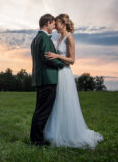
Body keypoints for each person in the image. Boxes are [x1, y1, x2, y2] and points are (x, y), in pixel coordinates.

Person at [43, 14, 103, 149]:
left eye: (57, 23)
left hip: (65, 74)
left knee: (64, 102)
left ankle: (68, 133)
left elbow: (72, 60)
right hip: (56, 73)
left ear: (63, 24)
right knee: (56, 102)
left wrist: (57, 55)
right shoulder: (59, 37)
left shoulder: (70, 38)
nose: (55, 25)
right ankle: (54, 131)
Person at [30, 14, 65, 146]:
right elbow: (46, 57)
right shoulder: (44, 38)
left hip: (40, 79)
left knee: (39, 110)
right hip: (48, 80)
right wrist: (61, 64)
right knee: (43, 111)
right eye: (53, 24)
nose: (54, 27)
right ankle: (37, 141)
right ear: (47, 23)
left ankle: (35, 138)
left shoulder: (35, 39)